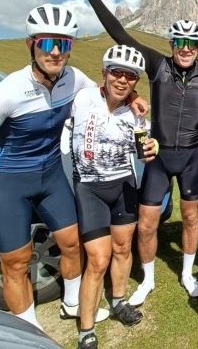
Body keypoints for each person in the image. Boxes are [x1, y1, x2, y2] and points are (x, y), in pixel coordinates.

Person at [0, 4, 136, 328]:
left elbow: (105, 91)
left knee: (71, 244)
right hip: (9, 183)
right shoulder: (8, 92)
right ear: (31, 44)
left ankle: (71, 304)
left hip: (51, 176)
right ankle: (30, 330)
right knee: (16, 261)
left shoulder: (74, 79)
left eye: (63, 44)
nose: (55, 52)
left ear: (71, 48)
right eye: (47, 43)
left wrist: (133, 96)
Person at [69, 0, 198, 307]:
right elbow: (120, 35)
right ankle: (149, 279)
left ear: (197, 47)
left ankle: (186, 274)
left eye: (191, 43)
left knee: (192, 217)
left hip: (191, 157)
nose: (185, 48)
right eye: (180, 41)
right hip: (158, 155)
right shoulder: (157, 64)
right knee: (147, 223)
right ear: (171, 44)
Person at [71, 45, 159, 348]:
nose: (122, 80)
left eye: (130, 76)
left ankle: (119, 300)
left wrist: (150, 150)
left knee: (123, 249)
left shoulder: (138, 117)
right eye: (116, 72)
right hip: (91, 188)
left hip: (123, 187)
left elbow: (145, 149)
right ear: (104, 73)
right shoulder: (82, 96)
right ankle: (86, 329)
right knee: (97, 259)